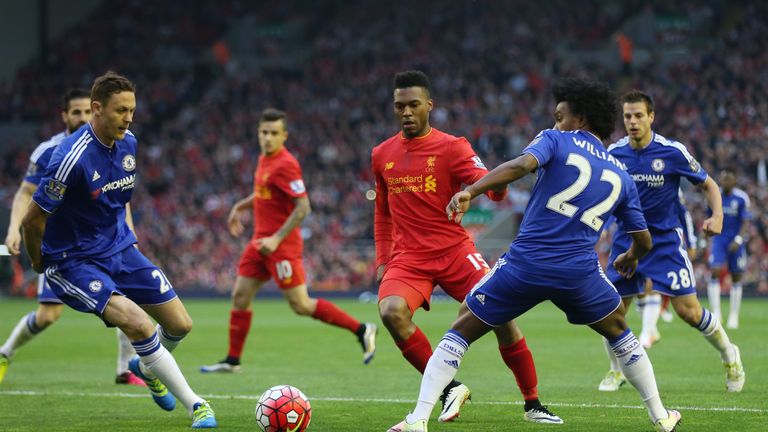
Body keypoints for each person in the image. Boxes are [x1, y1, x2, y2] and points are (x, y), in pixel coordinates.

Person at [390, 77, 682, 432]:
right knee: (620, 330)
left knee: (462, 329)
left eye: (561, 116)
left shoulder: (554, 139)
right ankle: (661, 417)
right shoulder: (620, 172)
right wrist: (632, 255)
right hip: (579, 273)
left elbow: (519, 167)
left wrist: (473, 191)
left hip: (526, 263)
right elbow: (644, 238)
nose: (556, 122)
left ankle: (418, 419)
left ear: (579, 118)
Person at [21, 72, 217, 428]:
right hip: (75, 262)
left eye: (132, 110)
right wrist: (38, 261)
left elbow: (116, 200)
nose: (129, 118)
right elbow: (32, 221)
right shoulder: (69, 158)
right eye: (121, 110)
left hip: (120, 249)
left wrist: (130, 238)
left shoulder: (129, 143)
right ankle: (197, 405)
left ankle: (145, 366)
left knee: (180, 324)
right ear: (97, 109)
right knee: (140, 325)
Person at [376, 70, 560, 429]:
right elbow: (382, 212)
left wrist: (497, 190)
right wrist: (383, 260)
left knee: (501, 317)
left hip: (455, 252)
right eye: (400, 107)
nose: (407, 112)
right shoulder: (382, 154)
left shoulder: (451, 147)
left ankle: (533, 402)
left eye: (414, 105)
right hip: (409, 259)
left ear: (429, 105)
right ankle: (450, 389)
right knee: (391, 312)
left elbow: (489, 182)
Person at [200, 108, 377, 373]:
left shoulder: (286, 164)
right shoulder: (263, 159)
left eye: (273, 133)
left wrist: (276, 238)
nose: (267, 138)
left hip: (281, 245)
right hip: (259, 242)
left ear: (284, 136)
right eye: (263, 132)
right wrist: (241, 206)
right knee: (240, 295)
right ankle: (232, 360)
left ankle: (362, 329)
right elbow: (263, 193)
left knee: (301, 305)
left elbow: (303, 207)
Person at [598, 90, 744, 394]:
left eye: (639, 115)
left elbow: (709, 184)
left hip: (664, 242)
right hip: (626, 241)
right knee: (610, 312)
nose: (633, 122)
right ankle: (615, 371)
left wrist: (717, 215)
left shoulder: (672, 151)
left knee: (688, 312)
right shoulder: (614, 154)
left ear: (651, 117)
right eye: (627, 116)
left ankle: (730, 354)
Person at [0, 88, 143, 388]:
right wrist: (14, 230)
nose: (81, 117)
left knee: (128, 297)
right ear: (64, 115)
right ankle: (5, 352)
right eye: (74, 112)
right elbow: (26, 194)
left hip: (104, 240)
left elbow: (118, 195)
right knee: (48, 315)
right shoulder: (50, 151)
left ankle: (124, 370)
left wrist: (129, 231)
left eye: (85, 111)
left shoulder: (110, 143)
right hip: (61, 246)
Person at [707, 168, 751, 329]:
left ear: (734, 181)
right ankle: (716, 313)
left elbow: (746, 221)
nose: (725, 182)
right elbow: (709, 216)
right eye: (723, 179)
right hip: (719, 239)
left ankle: (734, 315)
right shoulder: (715, 195)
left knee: (736, 276)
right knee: (715, 271)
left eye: (728, 179)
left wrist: (739, 239)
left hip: (735, 241)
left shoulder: (741, 198)